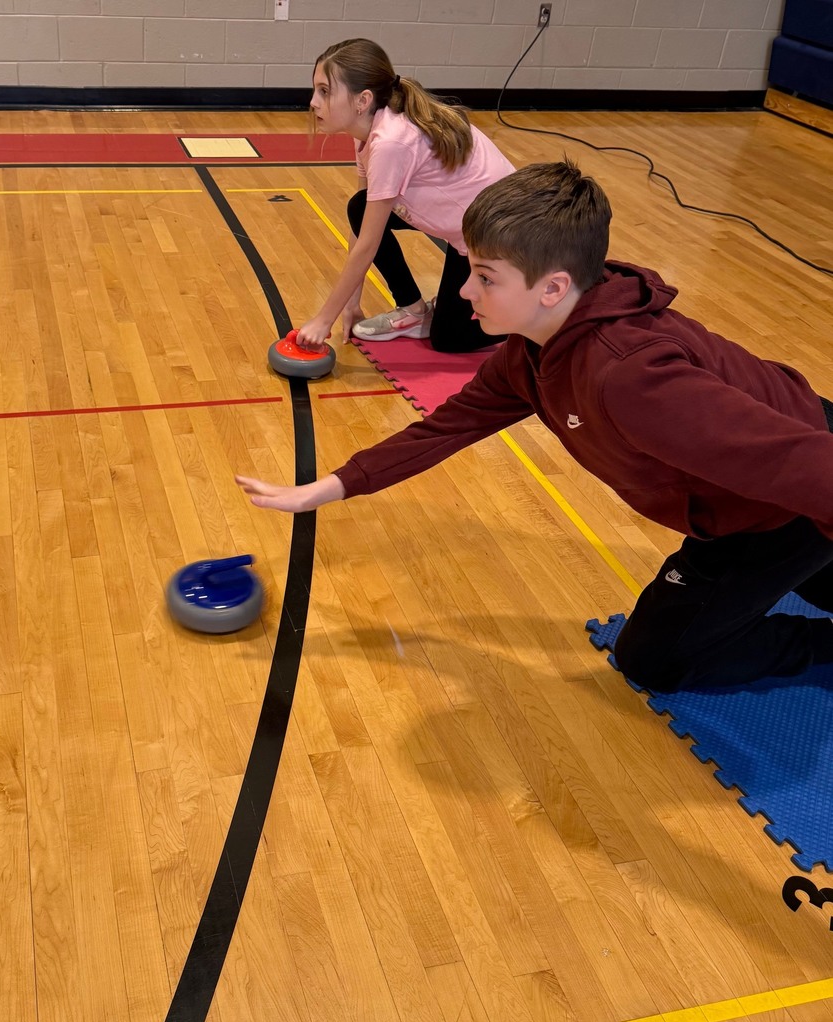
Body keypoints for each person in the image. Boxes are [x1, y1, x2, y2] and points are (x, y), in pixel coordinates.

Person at [237, 160, 833, 694]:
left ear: (553, 287)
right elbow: (449, 426)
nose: (466, 291)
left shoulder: (629, 378)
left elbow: (808, 469)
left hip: (783, 504)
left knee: (655, 661)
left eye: (486, 277)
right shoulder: (533, 350)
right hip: (768, 470)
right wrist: (334, 485)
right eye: (470, 270)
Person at [298, 37, 514, 353]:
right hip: (465, 226)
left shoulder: (389, 143)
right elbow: (364, 224)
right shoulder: (367, 131)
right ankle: (414, 310)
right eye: (315, 89)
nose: (314, 101)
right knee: (359, 207)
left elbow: (369, 244)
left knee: (450, 339)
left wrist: (323, 320)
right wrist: (351, 304)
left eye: (325, 91)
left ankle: (538, 318)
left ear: (362, 100)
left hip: (499, 234)